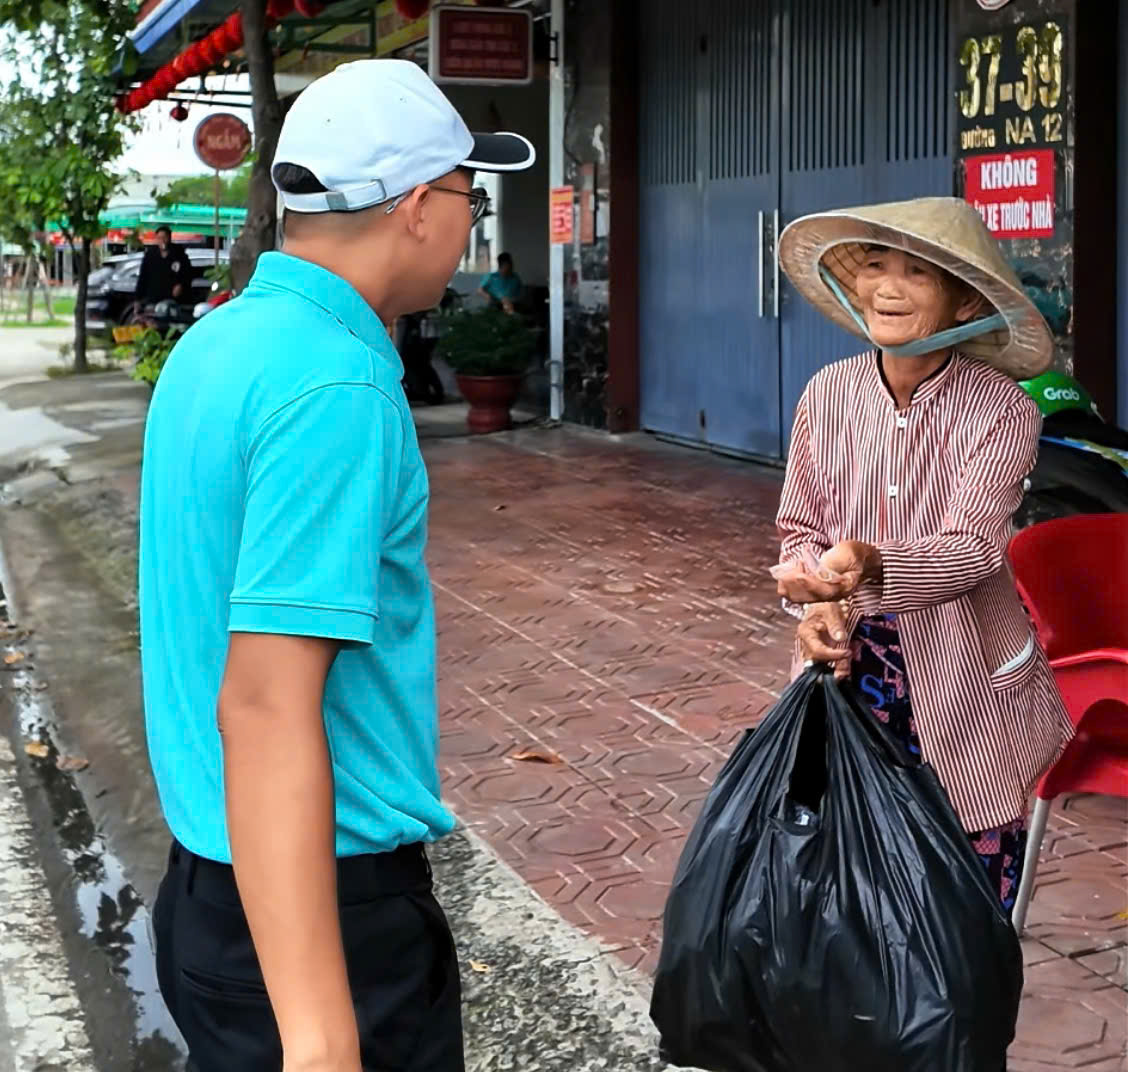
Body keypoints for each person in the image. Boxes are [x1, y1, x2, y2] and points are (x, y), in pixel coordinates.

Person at [138, 59, 534, 1072]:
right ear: (414, 208)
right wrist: (319, 1036)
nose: (468, 222)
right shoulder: (338, 384)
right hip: (322, 911)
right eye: (465, 194)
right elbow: (267, 703)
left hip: (214, 879)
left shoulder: (219, 341)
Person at [772, 197, 1073, 916]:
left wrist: (873, 566)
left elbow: (971, 550)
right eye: (875, 267)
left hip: (963, 676)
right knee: (848, 881)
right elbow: (798, 529)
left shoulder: (1002, 409)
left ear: (964, 300)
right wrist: (814, 603)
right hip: (848, 668)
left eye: (917, 273)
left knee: (962, 899)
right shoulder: (826, 395)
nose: (888, 288)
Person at [134, 224, 193, 306]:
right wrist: (137, 299)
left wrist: (181, 285)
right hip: (153, 299)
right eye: (159, 238)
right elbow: (143, 277)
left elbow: (188, 274)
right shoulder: (150, 255)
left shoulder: (179, 255)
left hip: (174, 300)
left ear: (170, 238)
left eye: (164, 237)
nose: (162, 240)